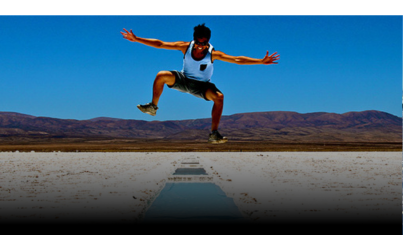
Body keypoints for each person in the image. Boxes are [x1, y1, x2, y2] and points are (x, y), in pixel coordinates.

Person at [121, 24, 279, 144]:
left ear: (208, 41)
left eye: (204, 43)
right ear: (194, 40)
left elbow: (237, 59)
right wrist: (137, 39)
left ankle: (214, 133)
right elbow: (160, 44)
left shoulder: (213, 54)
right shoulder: (185, 47)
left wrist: (260, 61)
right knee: (161, 75)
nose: (201, 47)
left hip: (202, 86)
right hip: (184, 80)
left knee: (219, 97)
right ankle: (152, 107)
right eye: (198, 43)